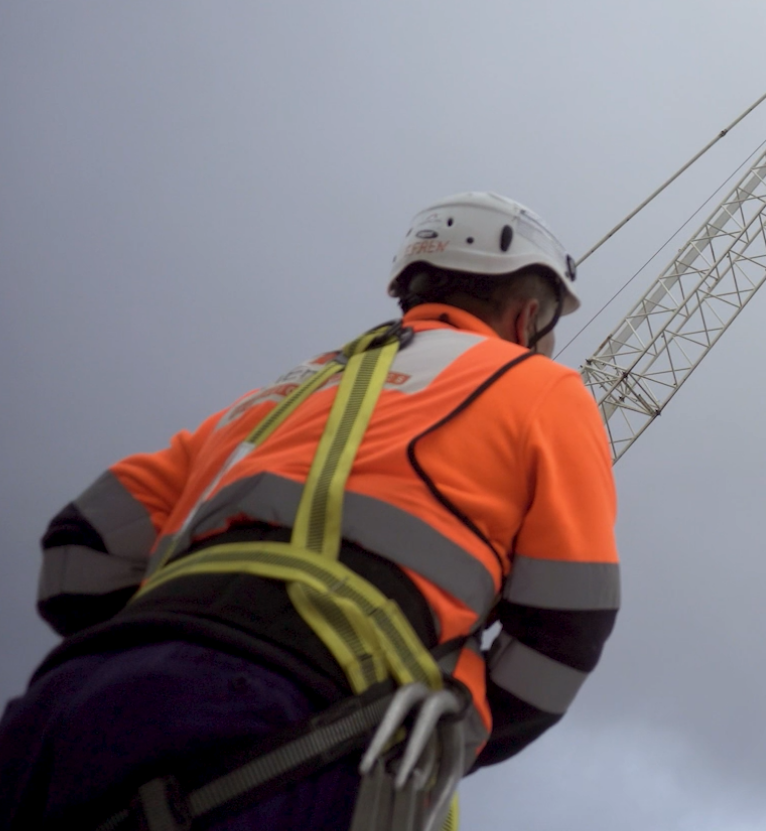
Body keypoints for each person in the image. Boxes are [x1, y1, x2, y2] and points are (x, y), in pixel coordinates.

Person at [1, 192, 620, 830]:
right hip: (300, 727)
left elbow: (76, 555)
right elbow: (567, 625)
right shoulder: (544, 388)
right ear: (527, 317)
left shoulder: (279, 395)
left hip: (70, 705)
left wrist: (171, 639)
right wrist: (445, 738)